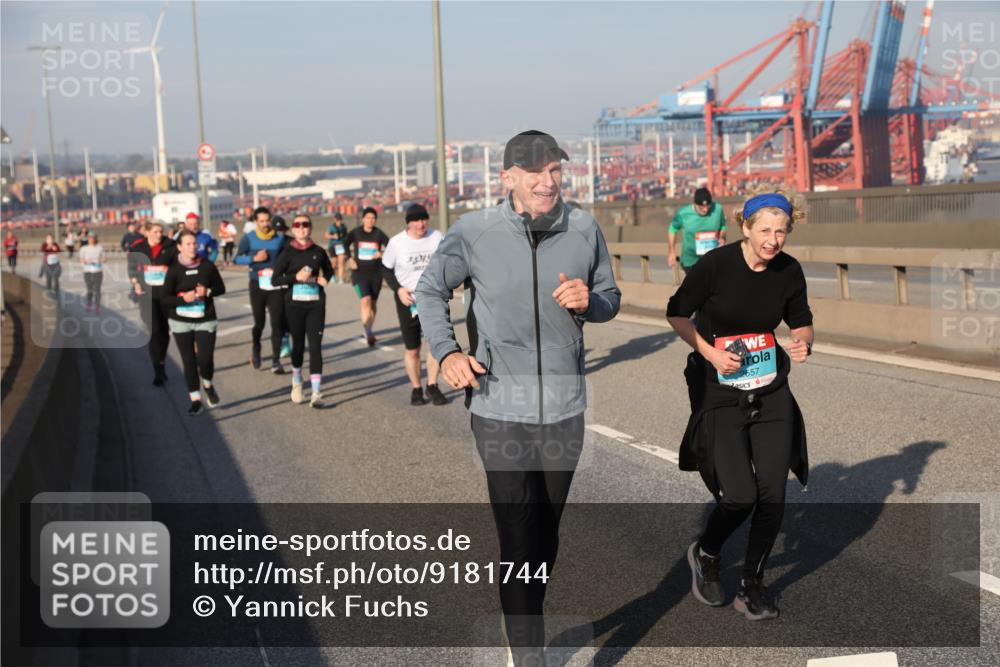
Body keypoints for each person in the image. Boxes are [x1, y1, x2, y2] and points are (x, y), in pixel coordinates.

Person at [415, 130, 621, 664]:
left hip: (564, 408)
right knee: (518, 532)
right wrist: (447, 353)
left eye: (555, 170)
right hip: (497, 407)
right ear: (508, 177)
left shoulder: (583, 227)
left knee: (546, 536)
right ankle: (528, 654)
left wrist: (590, 302)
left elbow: (611, 296)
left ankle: (527, 615)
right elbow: (429, 290)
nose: (547, 181)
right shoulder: (475, 232)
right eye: (535, 172)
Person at [665, 189, 814, 621]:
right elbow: (677, 313)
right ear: (744, 227)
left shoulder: (788, 271)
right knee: (740, 496)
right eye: (764, 230)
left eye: (781, 231)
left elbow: (801, 323)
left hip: (770, 389)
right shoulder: (715, 265)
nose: (773, 239)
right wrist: (711, 353)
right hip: (720, 389)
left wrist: (802, 344)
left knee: (773, 495)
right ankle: (707, 553)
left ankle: (752, 585)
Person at [381, 204, 446, 406]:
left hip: (434, 299)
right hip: (408, 301)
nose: (421, 224)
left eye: (424, 219)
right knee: (413, 350)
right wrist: (398, 289)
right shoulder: (397, 243)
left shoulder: (437, 237)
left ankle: (433, 385)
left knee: (436, 345)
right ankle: (416, 387)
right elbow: (385, 269)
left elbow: (449, 260)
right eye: (416, 220)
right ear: (408, 223)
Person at [161, 229, 226, 415]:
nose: (192, 247)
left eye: (194, 243)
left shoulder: (207, 266)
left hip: (205, 319)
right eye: (187, 244)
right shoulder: (174, 270)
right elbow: (165, 298)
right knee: (188, 361)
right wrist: (183, 299)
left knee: (205, 360)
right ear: (179, 247)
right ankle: (196, 399)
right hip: (180, 321)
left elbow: (221, 288)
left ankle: (208, 384)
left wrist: (208, 292)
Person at [272, 214, 334, 408]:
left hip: (315, 304)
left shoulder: (318, 251)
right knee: (298, 346)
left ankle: (316, 393)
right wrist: (295, 277)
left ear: (310, 228)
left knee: (315, 347)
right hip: (294, 305)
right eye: (297, 225)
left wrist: (326, 279)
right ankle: (297, 379)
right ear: (292, 229)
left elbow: (329, 270)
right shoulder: (287, 252)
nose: (301, 228)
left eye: (305, 224)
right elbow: (275, 280)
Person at [235, 206, 288, 372]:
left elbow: (288, 255)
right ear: (256, 222)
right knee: (259, 323)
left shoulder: (279, 239)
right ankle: (256, 348)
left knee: (277, 322)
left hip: (275, 285)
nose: (265, 224)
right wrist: (254, 258)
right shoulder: (249, 239)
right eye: (262, 221)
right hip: (257, 285)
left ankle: (275, 360)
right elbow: (236, 258)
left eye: (267, 220)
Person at [128, 222, 178, 386]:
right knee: (154, 331)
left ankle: (162, 362)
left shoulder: (170, 246)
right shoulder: (138, 247)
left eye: (160, 231)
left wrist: (168, 271)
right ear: (147, 232)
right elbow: (132, 268)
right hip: (146, 295)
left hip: (166, 295)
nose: (159, 235)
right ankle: (158, 370)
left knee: (164, 332)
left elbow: (178, 267)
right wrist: (135, 282)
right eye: (155, 232)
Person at [343, 207, 389, 347]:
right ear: (363, 219)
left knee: (373, 305)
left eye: (373, 218)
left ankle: (369, 328)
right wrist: (349, 258)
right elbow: (344, 244)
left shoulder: (379, 234)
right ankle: (368, 332)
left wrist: (382, 254)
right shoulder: (356, 232)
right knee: (365, 301)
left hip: (376, 273)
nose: (370, 220)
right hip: (359, 273)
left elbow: (392, 246)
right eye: (368, 218)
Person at [668, 187, 727, 273]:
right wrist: (671, 252)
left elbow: (723, 226)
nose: (705, 209)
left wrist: (722, 237)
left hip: (713, 259)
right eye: (701, 207)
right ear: (694, 203)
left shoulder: (718, 209)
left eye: (708, 206)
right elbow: (672, 229)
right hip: (691, 262)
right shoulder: (684, 213)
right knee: (698, 285)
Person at [79, 234, 105, 312]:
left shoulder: (100, 248)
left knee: (97, 289)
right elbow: (81, 260)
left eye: (92, 238)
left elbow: (104, 258)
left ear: (95, 239)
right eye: (89, 238)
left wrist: (100, 260)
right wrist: (86, 261)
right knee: (89, 289)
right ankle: (89, 303)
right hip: (87, 271)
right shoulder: (83, 248)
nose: (91, 239)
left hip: (98, 271)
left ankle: (97, 306)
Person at [324, 212, 349, 283]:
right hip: (332, 246)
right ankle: (332, 276)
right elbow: (326, 236)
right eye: (337, 219)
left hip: (340, 246)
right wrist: (333, 236)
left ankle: (341, 278)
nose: (339, 221)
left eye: (340, 219)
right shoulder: (331, 227)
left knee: (341, 262)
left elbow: (347, 236)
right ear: (335, 219)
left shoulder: (344, 227)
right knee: (334, 263)